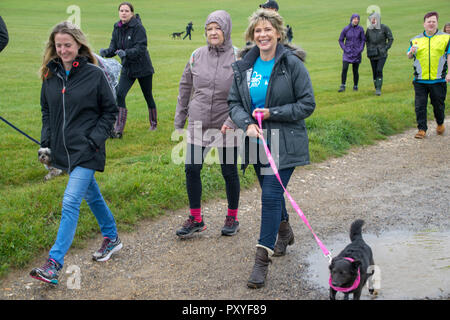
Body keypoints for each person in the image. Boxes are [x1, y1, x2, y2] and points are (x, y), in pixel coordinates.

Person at [228, 9, 316, 288]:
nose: (263, 35)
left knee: (270, 194)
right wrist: (246, 124)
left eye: (268, 30)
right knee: (272, 193)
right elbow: (234, 103)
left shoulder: (292, 64)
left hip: (285, 142)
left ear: (279, 33)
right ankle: (285, 230)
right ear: (252, 36)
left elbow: (307, 104)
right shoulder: (245, 65)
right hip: (255, 143)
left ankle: (260, 261)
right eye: (258, 31)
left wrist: (271, 113)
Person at [30, 21, 122, 285]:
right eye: (58, 45)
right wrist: (46, 143)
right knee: (91, 194)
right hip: (63, 151)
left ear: (79, 44)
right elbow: (47, 111)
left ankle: (53, 264)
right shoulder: (50, 74)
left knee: (70, 201)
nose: (62, 50)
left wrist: (94, 140)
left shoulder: (94, 74)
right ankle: (112, 236)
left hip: (88, 150)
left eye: (67, 45)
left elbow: (110, 111)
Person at [174, 10, 241, 238]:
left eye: (217, 28)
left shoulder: (238, 57)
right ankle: (196, 218)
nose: (213, 33)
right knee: (192, 168)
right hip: (198, 121)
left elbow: (245, 95)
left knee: (228, 170)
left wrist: (233, 121)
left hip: (227, 122)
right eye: (209, 29)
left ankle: (232, 216)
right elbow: (185, 88)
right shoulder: (196, 55)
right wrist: (179, 119)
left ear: (226, 30)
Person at [100, 2, 157, 137]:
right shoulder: (117, 27)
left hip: (143, 68)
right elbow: (114, 46)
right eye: (121, 10)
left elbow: (141, 47)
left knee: (147, 95)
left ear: (131, 13)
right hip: (128, 68)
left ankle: (153, 124)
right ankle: (119, 128)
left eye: (126, 11)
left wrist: (126, 53)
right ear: (119, 13)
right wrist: (106, 52)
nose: (124, 13)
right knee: (120, 94)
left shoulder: (138, 27)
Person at [407, 12, 450, 139]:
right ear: (424, 24)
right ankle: (421, 129)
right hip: (420, 80)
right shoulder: (415, 40)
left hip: (439, 79)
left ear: (437, 23)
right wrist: (411, 52)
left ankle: (440, 123)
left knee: (438, 105)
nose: (431, 24)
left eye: (433, 21)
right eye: (429, 21)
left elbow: (449, 56)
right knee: (420, 105)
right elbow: (409, 56)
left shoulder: (446, 38)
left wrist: (449, 73)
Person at [365, 12, 394, 96]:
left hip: (382, 54)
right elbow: (366, 40)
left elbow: (391, 39)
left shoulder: (384, 28)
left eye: (374, 19)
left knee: (379, 70)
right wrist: (368, 49)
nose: (373, 21)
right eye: (371, 19)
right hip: (372, 54)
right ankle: (376, 86)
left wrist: (385, 48)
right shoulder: (369, 29)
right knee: (374, 71)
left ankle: (378, 89)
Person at [338, 14, 365, 92]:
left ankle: (355, 86)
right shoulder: (346, 29)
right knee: (344, 68)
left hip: (357, 53)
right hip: (347, 52)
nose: (356, 20)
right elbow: (340, 40)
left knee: (355, 70)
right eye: (354, 19)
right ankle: (343, 85)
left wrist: (360, 49)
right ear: (351, 19)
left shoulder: (360, 29)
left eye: (357, 19)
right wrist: (345, 49)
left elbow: (363, 40)